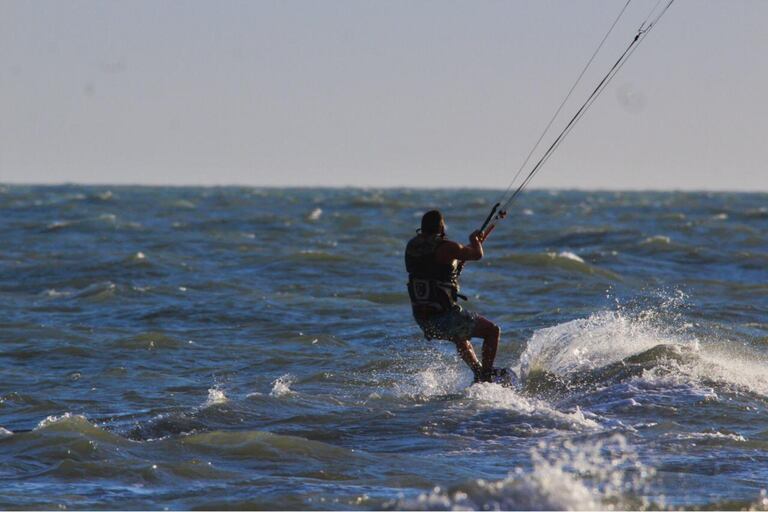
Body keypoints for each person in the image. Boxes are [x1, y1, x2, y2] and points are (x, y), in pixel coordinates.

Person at [405, 209, 503, 383]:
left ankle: (478, 373)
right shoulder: (447, 247)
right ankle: (486, 377)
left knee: (460, 335)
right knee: (492, 331)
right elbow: (477, 254)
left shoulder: (412, 246)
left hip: (423, 319)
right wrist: (475, 241)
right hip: (443, 318)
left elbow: (432, 268)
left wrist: (455, 264)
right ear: (441, 227)